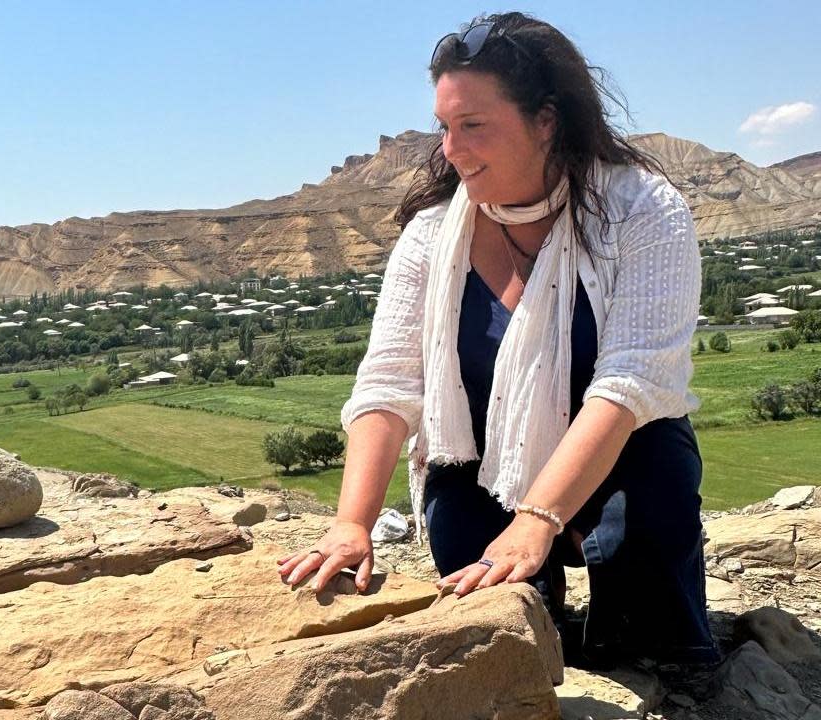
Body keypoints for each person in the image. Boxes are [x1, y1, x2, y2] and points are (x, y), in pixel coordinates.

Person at [276, 11, 719, 666]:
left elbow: (631, 385)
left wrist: (538, 522)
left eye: (473, 126)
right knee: (501, 641)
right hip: (478, 465)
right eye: (446, 128)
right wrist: (352, 521)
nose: (451, 149)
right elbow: (389, 385)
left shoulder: (640, 210)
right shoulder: (432, 235)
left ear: (547, 121)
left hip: (626, 456)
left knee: (653, 642)